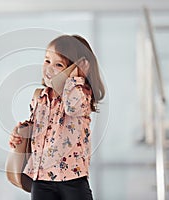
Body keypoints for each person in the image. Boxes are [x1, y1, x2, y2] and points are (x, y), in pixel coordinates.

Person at [9, 34, 105, 200]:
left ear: (77, 68)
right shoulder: (40, 96)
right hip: (41, 179)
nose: (49, 68)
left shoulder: (81, 94)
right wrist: (20, 133)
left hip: (72, 179)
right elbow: (38, 129)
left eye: (59, 64)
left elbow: (72, 107)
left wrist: (76, 77)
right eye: (47, 61)